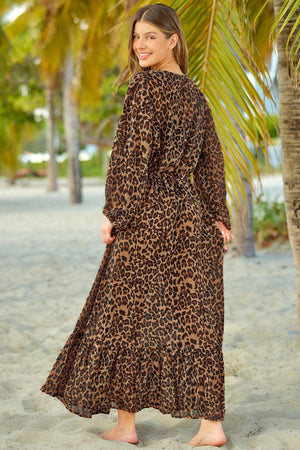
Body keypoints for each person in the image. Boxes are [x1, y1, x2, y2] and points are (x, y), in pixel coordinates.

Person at [40, 3, 233, 448]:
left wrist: (114, 212)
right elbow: (211, 162)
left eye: (150, 36)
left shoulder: (145, 88)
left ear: (173, 40)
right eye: (136, 36)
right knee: (198, 319)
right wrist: (217, 216)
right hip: (189, 215)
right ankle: (210, 426)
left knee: (126, 316)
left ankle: (128, 426)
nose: (140, 45)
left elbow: (132, 155)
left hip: (146, 215)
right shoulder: (195, 94)